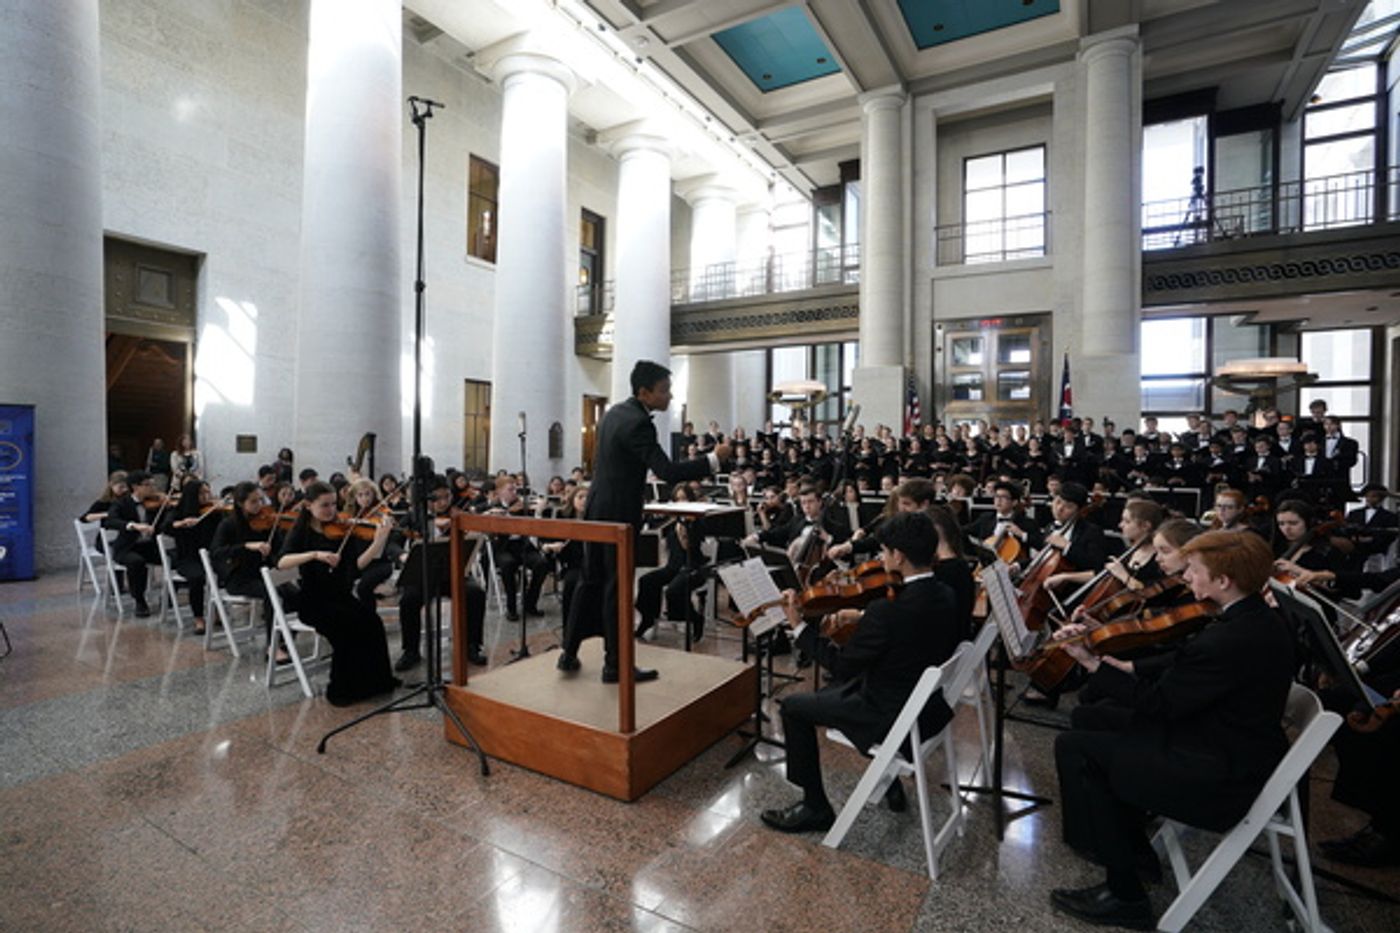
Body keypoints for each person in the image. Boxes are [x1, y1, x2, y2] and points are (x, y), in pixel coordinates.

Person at [1047, 530, 1294, 929]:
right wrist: (1104, 653)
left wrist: (1093, 664)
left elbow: (1161, 704)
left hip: (1218, 770)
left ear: (1223, 581)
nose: (1188, 578)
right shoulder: (1254, 617)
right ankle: (1134, 852)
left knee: (1076, 748)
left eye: (1194, 571)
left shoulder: (1230, 638)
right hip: (1227, 738)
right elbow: (1180, 668)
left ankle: (1124, 892)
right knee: (1095, 720)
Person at [760, 511, 961, 833]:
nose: (881, 557)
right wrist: (863, 617)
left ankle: (815, 807)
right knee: (828, 696)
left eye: (884, 551)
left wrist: (799, 627)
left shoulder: (887, 611)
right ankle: (889, 780)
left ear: (898, 555)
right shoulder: (946, 594)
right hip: (926, 709)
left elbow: (840, 666)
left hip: (888, 713)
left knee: (794, 707)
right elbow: (908, 630)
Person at [557, 360, 728, 683]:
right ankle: (614, 665)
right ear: (644, 392)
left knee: (590, 582)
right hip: (618, 515)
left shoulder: (613, 414)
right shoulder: (639, 423)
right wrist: (714, 459)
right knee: (615, 588)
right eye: (664, 390)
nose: (670, 395)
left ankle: (568, 653)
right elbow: (667, 472)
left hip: (596, 510)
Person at [277, 481, 399, 706]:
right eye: (325, 505)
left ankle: (377, 682)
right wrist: (314, 554)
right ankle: (342, 690)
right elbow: (282, 561)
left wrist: (379, 541)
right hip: (314, 601)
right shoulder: (301, 531)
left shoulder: (342, 530)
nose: (332, 510)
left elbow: (356, 566)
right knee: (346, 629)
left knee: (372, 623)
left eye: (334, 504)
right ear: (308, 505)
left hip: (341, 596)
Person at [395, 474, 487, 671]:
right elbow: (393, 541)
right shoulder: (414, 516)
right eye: (438, 498)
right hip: (422, 576)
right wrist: (402, 554)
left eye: (447, 496)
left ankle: (472, 645)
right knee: (409, 599)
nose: (444, 502)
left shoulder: (457, 515)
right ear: (427, 498)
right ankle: (410, 650)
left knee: (475, 593)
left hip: (452, 573)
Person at [100, 470, 166, 617]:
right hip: (127, 547)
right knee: (137, 562)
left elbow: (165, 522)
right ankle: (140, 601)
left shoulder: (155, 502)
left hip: (149, 546)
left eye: (153, 485)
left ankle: (169, 597)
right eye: (148, 485)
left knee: (176, 558)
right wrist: (133, 525)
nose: (153, 489)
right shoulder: (122, 503)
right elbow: (111, 521)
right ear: (136, 487)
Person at [160, 479, 220, 636]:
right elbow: (166, 527)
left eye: (208, 492)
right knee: (197, 578)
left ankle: (218, 609)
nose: (207, 496)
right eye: (202, 493)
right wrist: (181, 523)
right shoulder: (178, 512)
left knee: (227, 570)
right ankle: (199, 617)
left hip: (211, 557)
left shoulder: (213, 513)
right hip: (188, 558)